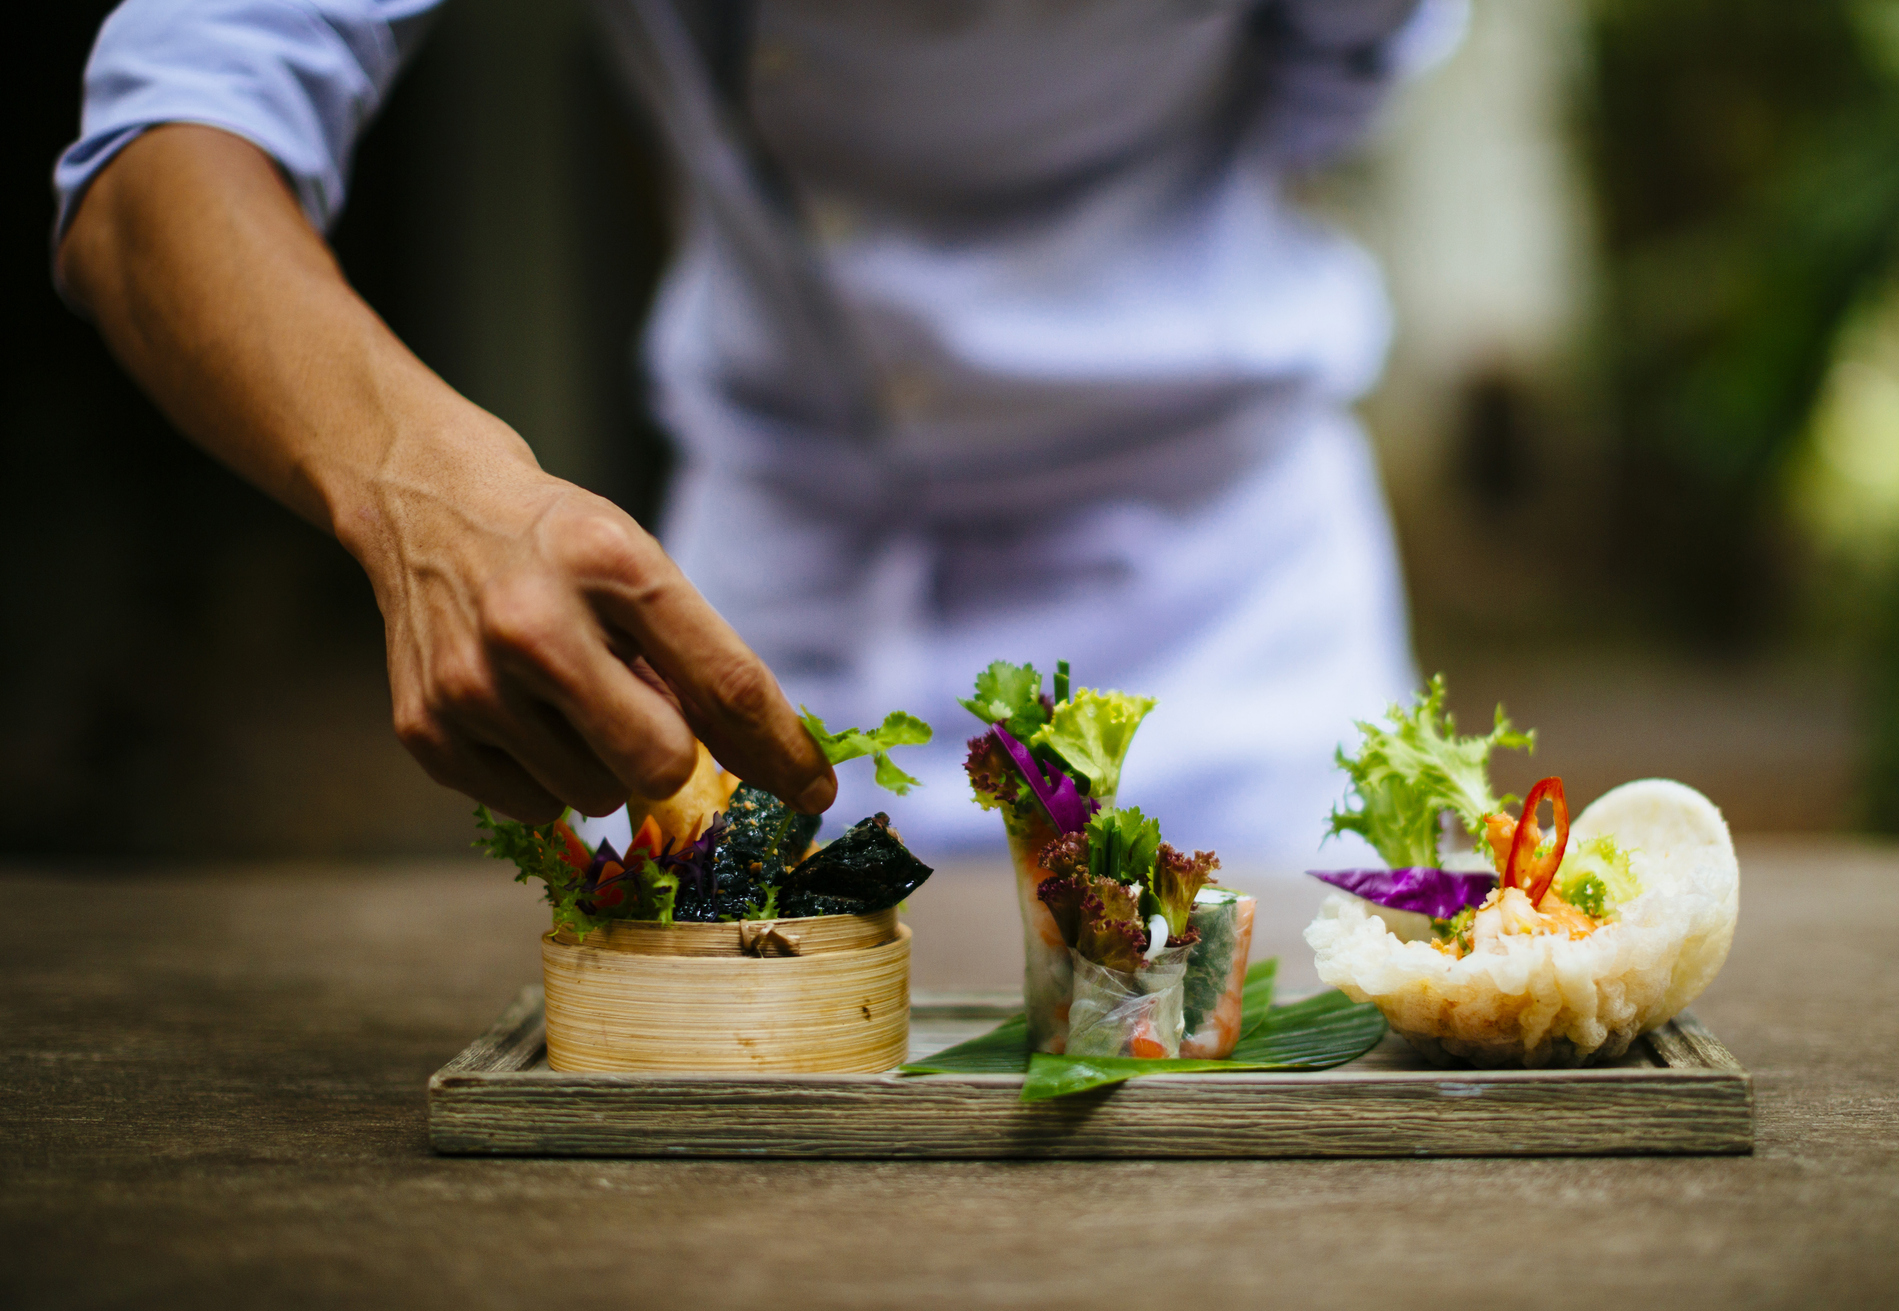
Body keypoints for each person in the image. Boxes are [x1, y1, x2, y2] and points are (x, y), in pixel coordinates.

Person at [56, 0, 1430, 859]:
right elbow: (156, 157)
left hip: (1224, 613)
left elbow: (1332, 86)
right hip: (755, 611)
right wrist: (418, 485)